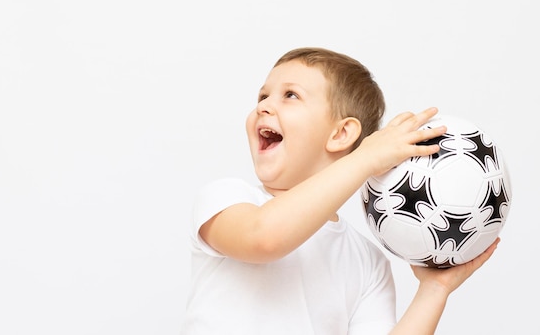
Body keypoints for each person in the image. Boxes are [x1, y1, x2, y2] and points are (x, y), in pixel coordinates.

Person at [180, 47, 499, 335]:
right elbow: (263, 239)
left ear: (342, 133)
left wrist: (435, 289)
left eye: (290, 95)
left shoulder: (367, 262)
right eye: (262, 96)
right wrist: (365, 159)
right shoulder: (227, 199)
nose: (264, 106)